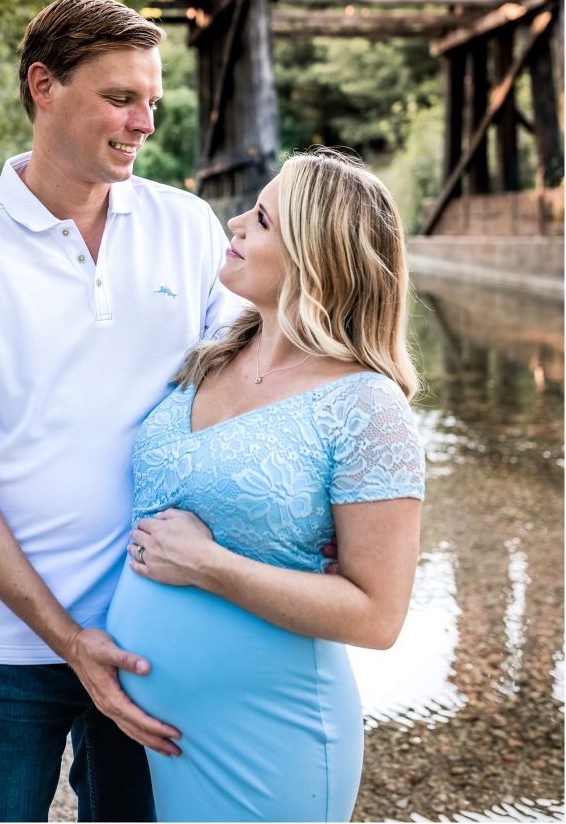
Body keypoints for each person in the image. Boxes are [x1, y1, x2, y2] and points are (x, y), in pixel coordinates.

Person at [0, 0, 243, 823]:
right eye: (121, 97)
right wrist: (65, 637)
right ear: (43, 86)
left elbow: (240, 406)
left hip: (155, 630)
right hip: (3, 644)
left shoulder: (187, 228)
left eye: (151, 99)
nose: (144, 121)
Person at [105, 148, 425, 823]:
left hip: (270, 739)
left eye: (262, 220)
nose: (236, 222)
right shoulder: (211, 353)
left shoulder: (367, 405)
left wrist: (209, 565)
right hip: (149, 726)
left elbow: (378, 615)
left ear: (317, 256)